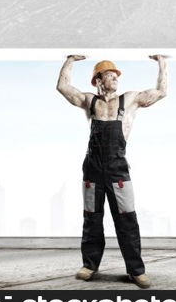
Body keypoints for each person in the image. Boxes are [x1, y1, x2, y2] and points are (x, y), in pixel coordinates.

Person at [56, 54, 169, 288]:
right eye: (109, 75)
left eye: (116, 75)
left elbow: (161, 91)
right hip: (93, 168)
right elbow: (62, 86)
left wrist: (161, 62)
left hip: (118, 168)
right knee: (92, 218)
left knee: (127, 219)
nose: (115, 78)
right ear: (97, 80)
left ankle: (136, 271)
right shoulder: (89, 101)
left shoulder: (129, 100)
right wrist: (70, 60)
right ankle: (89, 265)